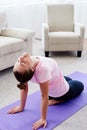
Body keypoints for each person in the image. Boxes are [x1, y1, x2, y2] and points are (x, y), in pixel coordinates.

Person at [7, 52, 84, 130]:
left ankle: (56, 96)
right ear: (32, 68)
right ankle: (58, 99)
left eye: (18, 61)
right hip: (61, 92)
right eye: (22, 63)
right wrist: (43, 118)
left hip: (54, 80)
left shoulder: (26, 69)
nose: (20, 59)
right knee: (80, 85)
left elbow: (23, 87)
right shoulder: (43, 70)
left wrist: (21, 107)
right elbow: (44, 96)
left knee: (69, 79)